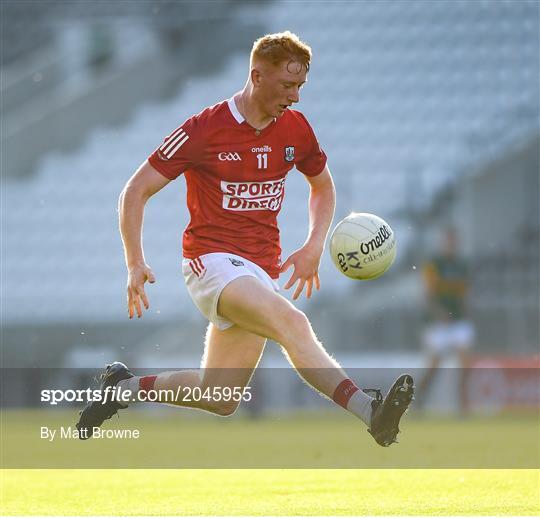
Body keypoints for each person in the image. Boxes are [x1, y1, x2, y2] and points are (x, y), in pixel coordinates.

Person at [76, 31, 414, 447]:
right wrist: (134, 261)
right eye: (288, 86)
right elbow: (135, 190)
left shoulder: (295, 129)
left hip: (258, 271)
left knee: (218, 397)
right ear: (257, 76)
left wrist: (312, 246)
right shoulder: (204, 129)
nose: (296, 97)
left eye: (301, 86)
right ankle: (370, 410)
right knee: (293, 322)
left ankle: (122, 389)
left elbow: (322, 186)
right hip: (211, 262)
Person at [417, 227, 474, 413]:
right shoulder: (434, 264)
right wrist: (439, 313)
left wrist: (464, 311)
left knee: (465, 364)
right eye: (448, 241)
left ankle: (463, 406)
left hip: (458, 322)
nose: (451, 245)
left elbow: (465, 293)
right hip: (438, 323)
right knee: (433, 367)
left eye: (453, 241)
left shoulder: (462, 265)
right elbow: (427, 294)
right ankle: (419, 399)